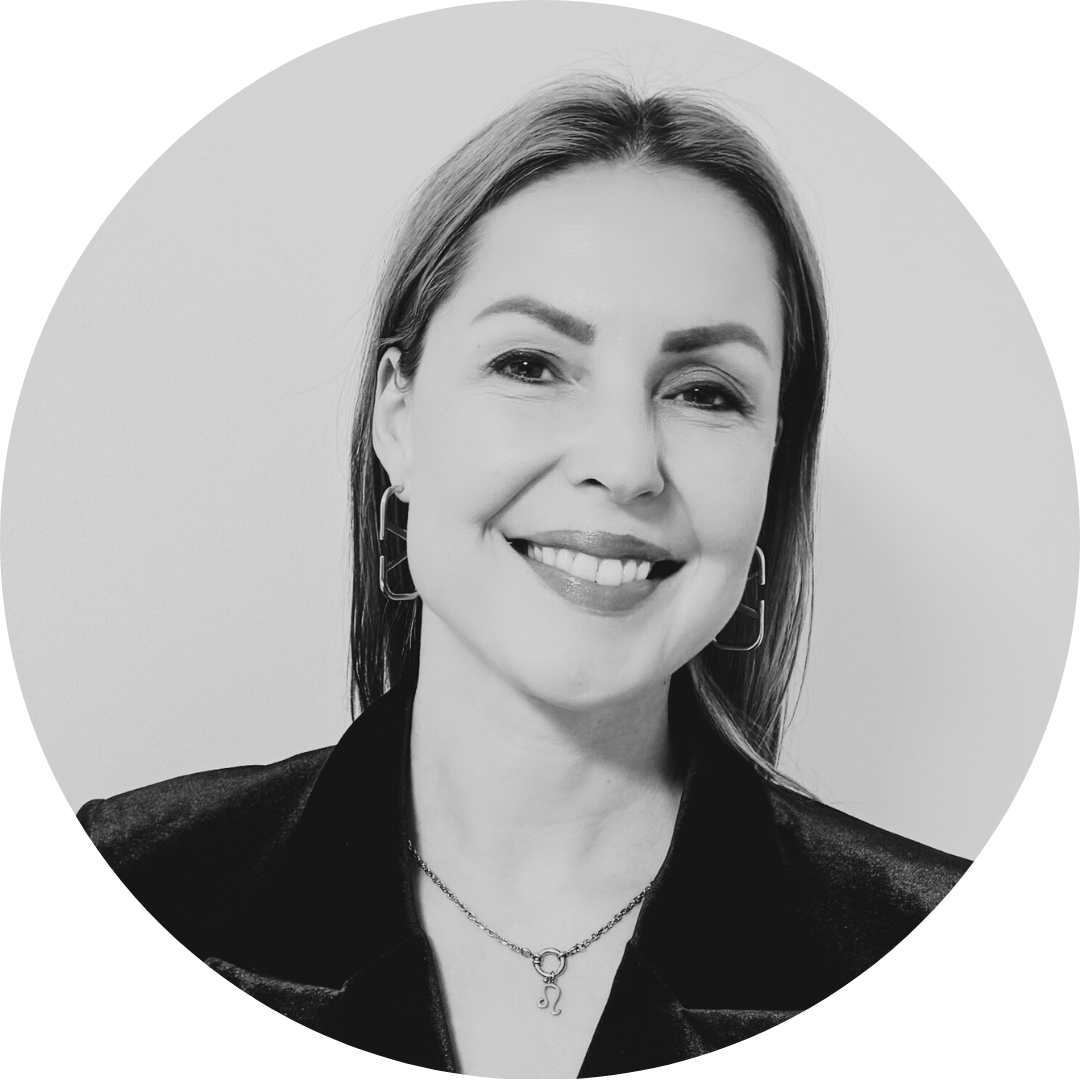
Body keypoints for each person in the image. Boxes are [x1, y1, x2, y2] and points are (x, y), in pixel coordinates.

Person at [78, 76, 968, 1078]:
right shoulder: (127, 885)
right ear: (398, 417)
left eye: (706, 392)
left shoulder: (958, 966)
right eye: (531, 366)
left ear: (773, 462)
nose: (624, 464)